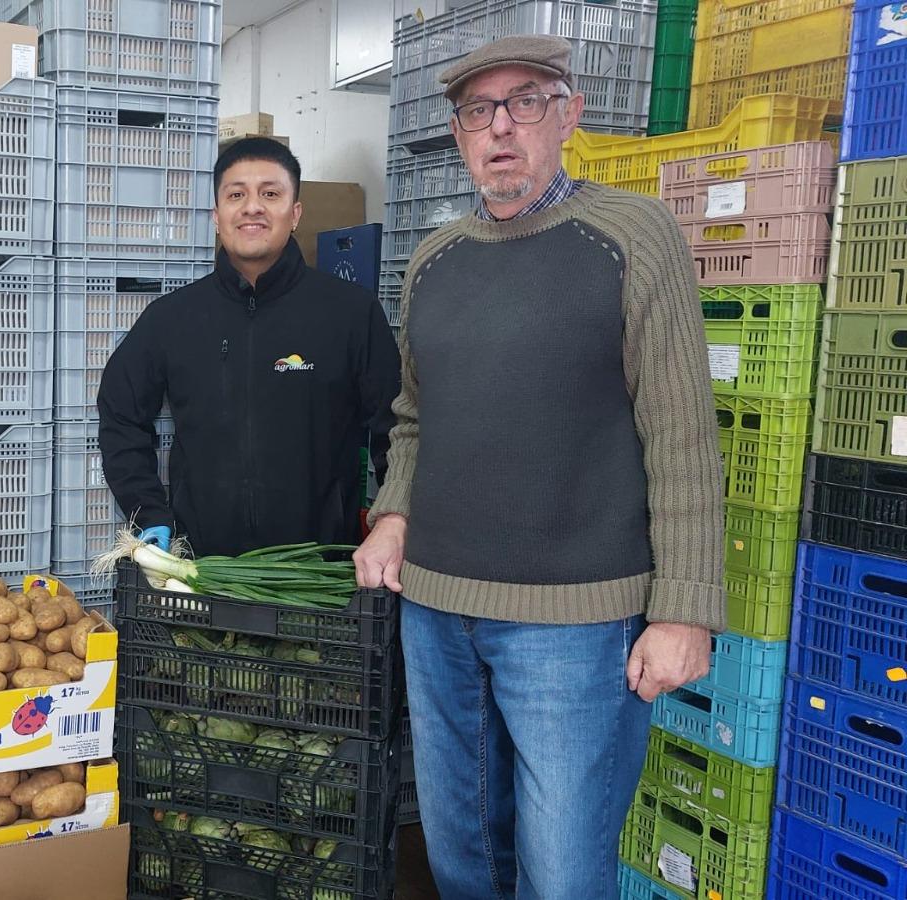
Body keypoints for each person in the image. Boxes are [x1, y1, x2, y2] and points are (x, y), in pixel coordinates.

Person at [353, 35, 724, 898]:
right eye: (478, 111)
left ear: (569, 115)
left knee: (561, 874)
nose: (501, 127)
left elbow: (681, 433)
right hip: (437, 610)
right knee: (461, 858)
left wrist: (685, 609)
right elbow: (415, 417)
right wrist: (396, 512)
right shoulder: (433, 261)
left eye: (525, 102)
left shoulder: (632, 236)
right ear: (458, 133)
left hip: (574, 626)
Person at [97, 137, 401, 557]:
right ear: (216, 216)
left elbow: (397, 427)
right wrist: (147, 510)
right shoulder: (172, 318)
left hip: (319, 568)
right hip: (203, 568)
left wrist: (394, 518)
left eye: (270, 194)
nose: (252, 207)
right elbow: (120, 413)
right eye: (236, 195)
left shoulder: (350, 313)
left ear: (295, 214)